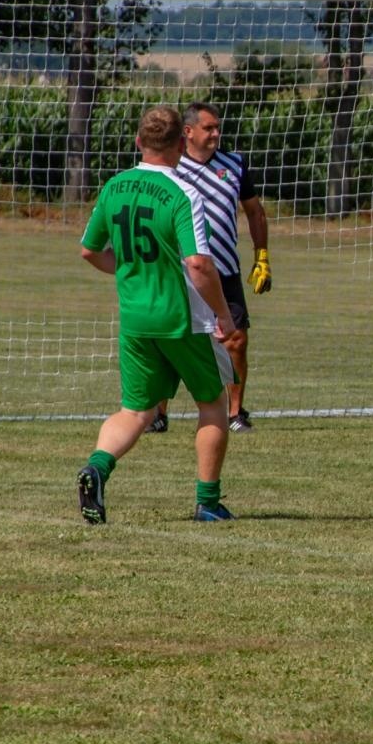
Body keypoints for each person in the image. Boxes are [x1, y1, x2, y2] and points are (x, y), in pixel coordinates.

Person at [77, 105, 243, 524]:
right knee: (213, 402)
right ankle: (208, 502)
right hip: (181, 317)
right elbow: (199, 265)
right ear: (179, 146)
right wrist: (223, 315)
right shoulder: (182, 193)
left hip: (135, 319)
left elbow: (89, 250)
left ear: (138, 142)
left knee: (136, 411)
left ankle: (97, 467)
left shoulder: (115, 187)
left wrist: (130, 270)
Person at [150, 102, 270, 434]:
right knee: (169, 341)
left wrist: (262, 257)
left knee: (235, 340)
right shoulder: (170, 167)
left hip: (224, 269)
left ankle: (235, 414)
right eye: (209, 128)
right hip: (180, 271)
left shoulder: (234, 163)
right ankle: (158, 414)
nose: (216, 133)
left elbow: (255, 212)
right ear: (187, 132)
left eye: (218, 127)